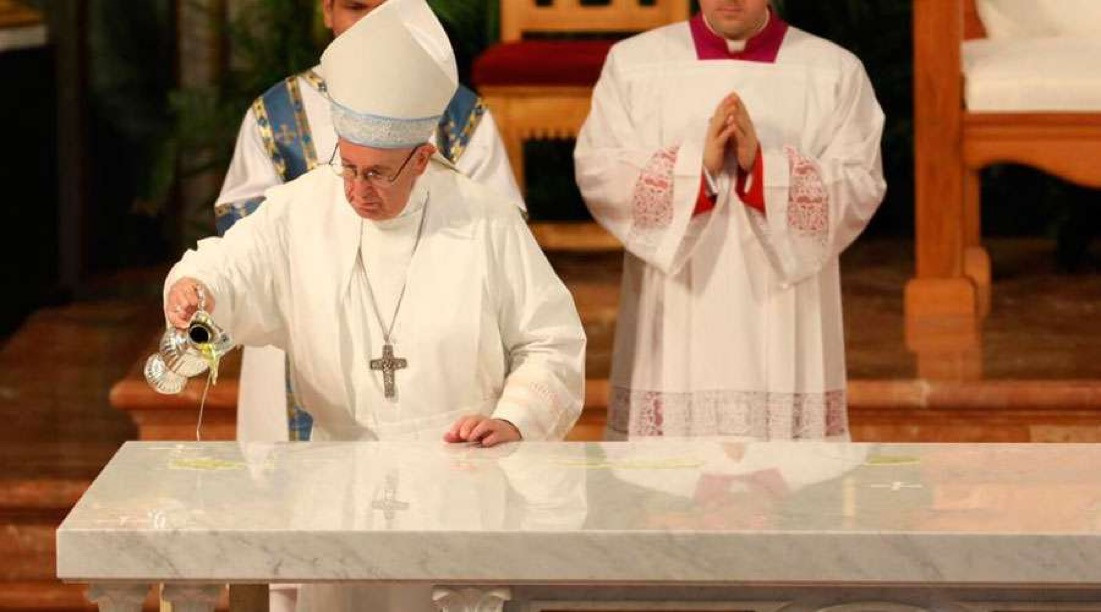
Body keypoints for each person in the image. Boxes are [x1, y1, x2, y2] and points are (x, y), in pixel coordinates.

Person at [164, 1, 585, 608]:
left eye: (380, 174)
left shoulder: (484, 221)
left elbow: (551, 341)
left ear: (422, 158)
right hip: (335, 484)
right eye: (349, 168)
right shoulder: (302, 209)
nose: (359, 191)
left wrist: (515, 417)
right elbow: (231, 266)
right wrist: (196, 287)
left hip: (460, 483)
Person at [574, 0, 886, 440]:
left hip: (783, 307)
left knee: (790, 489)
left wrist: (763, 169)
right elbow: (599, 171)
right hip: (677, 304)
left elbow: (860, 181)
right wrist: (695, 169)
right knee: (667, 484)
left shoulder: (833, 71)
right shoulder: (634, 65)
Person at [216, 0, 523, 445]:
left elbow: (498, 224)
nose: (372, 26)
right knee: (297, 504)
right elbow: (241, 228)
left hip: (430, 339)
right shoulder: (277, 114)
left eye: (388, 8)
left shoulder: (455, 112)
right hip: (306, 328)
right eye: (357, 7)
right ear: (326, 10)